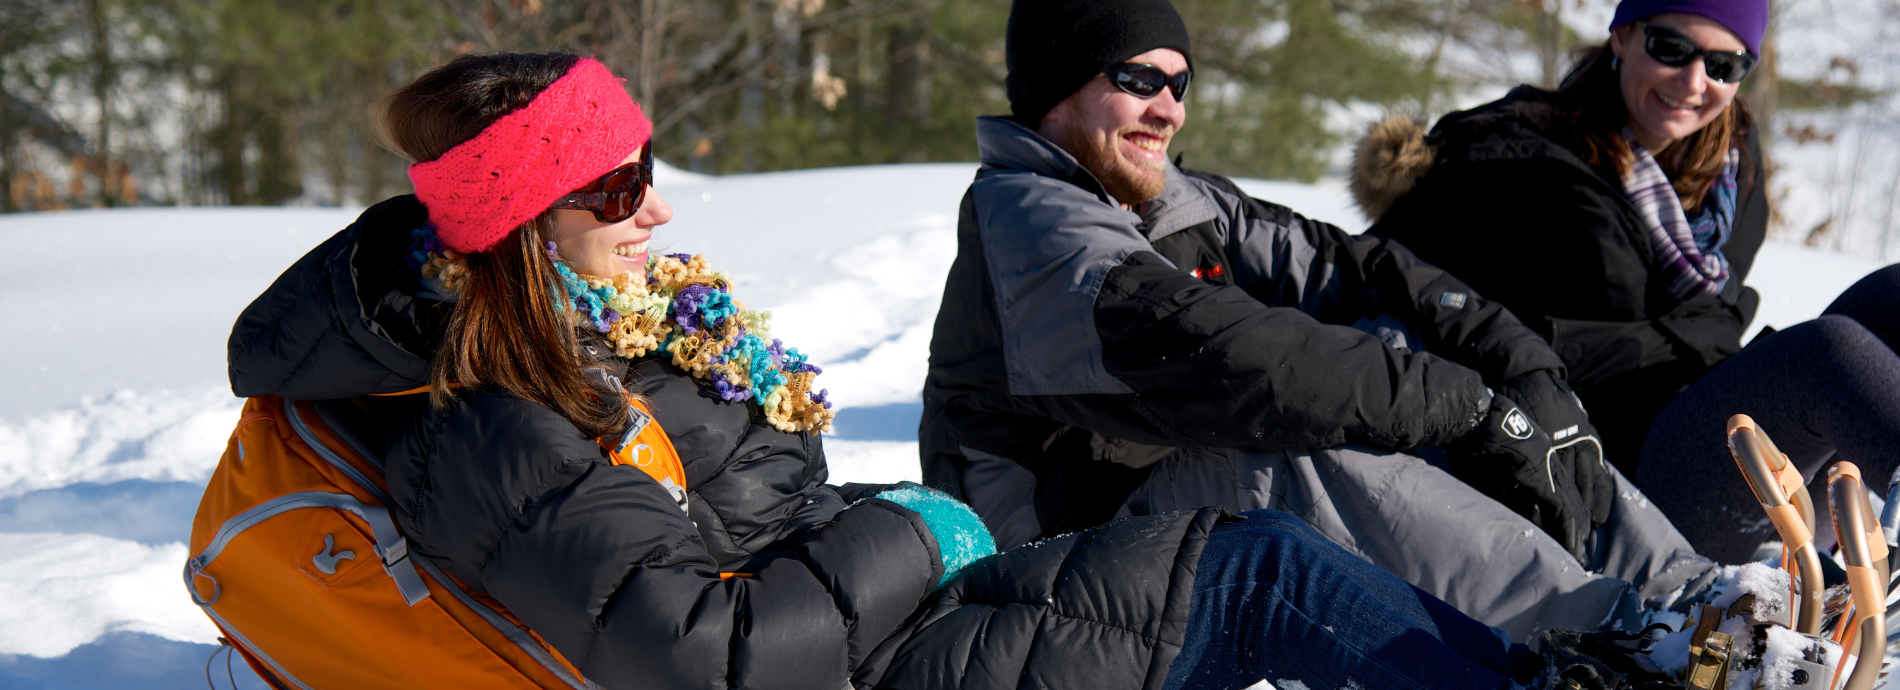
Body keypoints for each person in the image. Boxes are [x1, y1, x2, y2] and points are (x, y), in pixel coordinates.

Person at [224, 51, 1654, 690]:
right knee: (1261, 570)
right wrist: (919, 524)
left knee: (1256, 558)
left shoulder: (618, 330)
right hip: (862, 660)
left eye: (646, 170)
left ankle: (1569, 662)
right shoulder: (496, 418)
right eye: (616, 187)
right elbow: (702, 656)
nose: (657, 208)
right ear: (520, 225)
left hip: (873, 621)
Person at [920, 0, 1716, 641]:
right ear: (1059, 86)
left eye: (1180, 83)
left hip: (1155, 505)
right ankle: (1620, 639)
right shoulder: (1028, 220)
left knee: (1396, 346)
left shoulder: (1168, 200)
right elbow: (1240, 358)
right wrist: (1470, 408)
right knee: (1289, 452)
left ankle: (1702, 602)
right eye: (1138, 77)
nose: (1169, 110)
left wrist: (1523, 373)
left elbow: (1359, 266)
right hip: (1048, 557)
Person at [1360, 0, 1900, 562]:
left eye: (1724, 65)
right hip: (1616, 477)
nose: (1695, 83)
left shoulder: (1731, 162)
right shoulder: (1514, 159)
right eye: (1672, 49)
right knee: (1823, 355)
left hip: (1709, 427)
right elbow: (1382, 274)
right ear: (1621, 37)